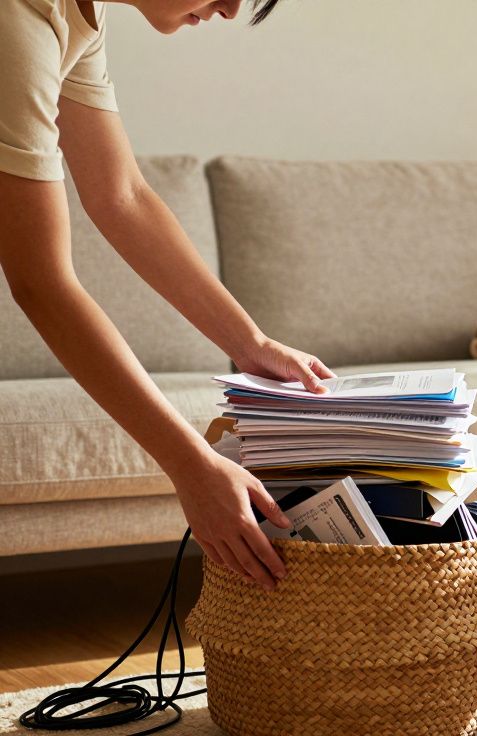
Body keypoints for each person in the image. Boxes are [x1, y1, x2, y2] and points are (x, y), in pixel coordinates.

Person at [0, 0, 309, 590]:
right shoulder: (16, 18)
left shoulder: (77, 16)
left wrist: (251, 342)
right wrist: (192, 465)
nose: (230, 9)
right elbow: (40, 282)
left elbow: (122, 196)